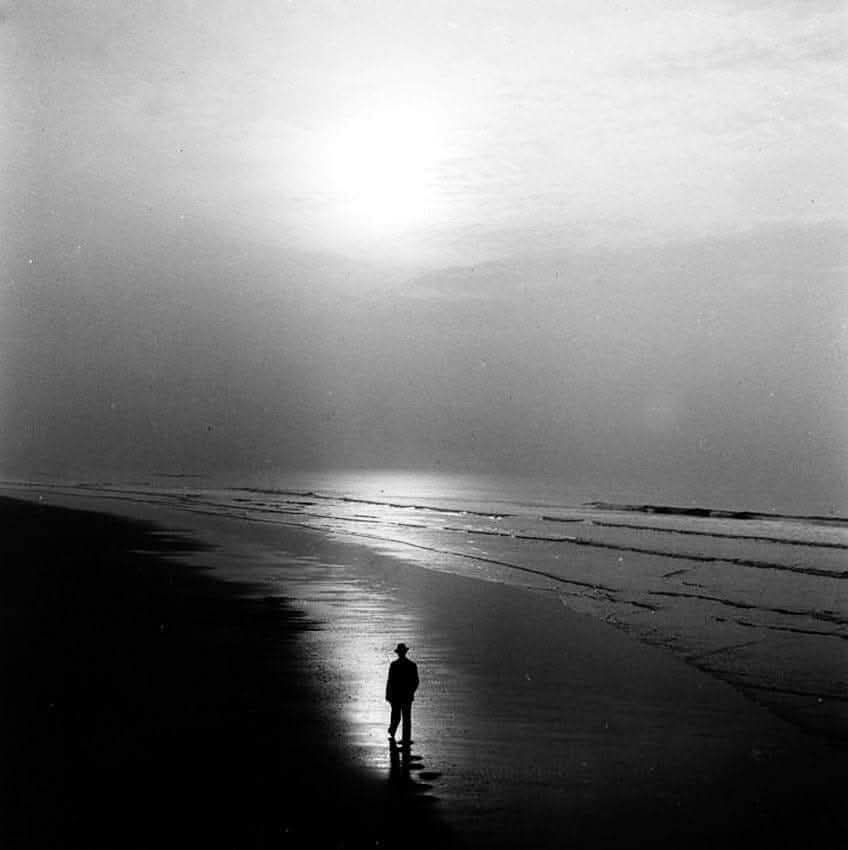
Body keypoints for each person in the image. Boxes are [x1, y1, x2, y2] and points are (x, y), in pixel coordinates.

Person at [385, 642, 419, 745]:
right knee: (406, 718)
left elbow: (390, 681)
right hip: (406, 696)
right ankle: (405, 739)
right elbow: (416, 682)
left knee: (396, 716)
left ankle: (393, 731)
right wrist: (411, 691)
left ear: (399, 653)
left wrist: (388, 695)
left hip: (396, 695)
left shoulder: (394, 665)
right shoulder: (411, 665)